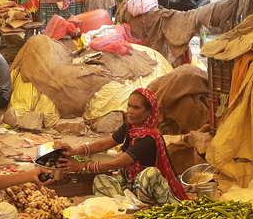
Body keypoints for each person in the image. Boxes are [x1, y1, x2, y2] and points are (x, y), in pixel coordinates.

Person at [57, 88, 188, 206]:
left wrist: (82, 166)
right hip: (130, 184)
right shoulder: (131, 126)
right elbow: (105, 143)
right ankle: (130, 201)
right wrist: (76, 151)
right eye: (129, 106)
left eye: (136, 108)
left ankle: (143, 204)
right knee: (100, 180)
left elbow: (116, 163)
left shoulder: (148, 138)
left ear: (149, 112)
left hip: (149, 188)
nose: (130, 111)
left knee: (149, 174)